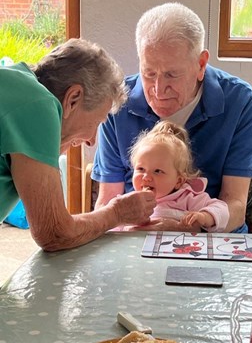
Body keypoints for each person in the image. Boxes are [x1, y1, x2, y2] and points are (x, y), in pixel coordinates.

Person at [92, 2, 252, 233]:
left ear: (201, 64)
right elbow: (107, 200)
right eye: (149, 74)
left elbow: (235, 205)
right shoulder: (118, 102)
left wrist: (184, 227)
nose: (159, 90)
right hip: (132, 239)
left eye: (172, 75)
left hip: (210, 238)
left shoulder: (241, 102)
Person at [0, 38, 156, 251]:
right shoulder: (38, 105)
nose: (92, 140)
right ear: (73, 98)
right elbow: (55, 233)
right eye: (97, 122)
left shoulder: (17, 84)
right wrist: (117, 213)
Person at [129, 121, 229, 232]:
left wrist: (204, 217)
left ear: (179, 181)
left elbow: (222, 210)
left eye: (157, 171)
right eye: (141, 169)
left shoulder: (186, 198)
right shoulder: (130, 201)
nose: (146, 177)